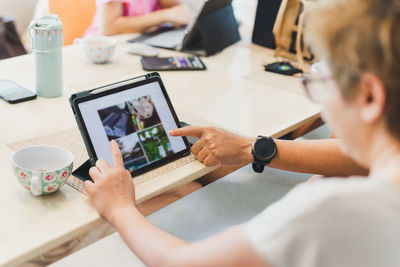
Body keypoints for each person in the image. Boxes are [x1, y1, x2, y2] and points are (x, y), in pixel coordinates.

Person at [83, 0, 400, 266]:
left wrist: (119, 207)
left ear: (370, 97)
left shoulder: (327, 211)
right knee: (191, 187)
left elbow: (182, 263)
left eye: (319, 82)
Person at [84, 0, 192, 37]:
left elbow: (174, 6)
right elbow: (109, 28)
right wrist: (165, 15)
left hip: (142, 39)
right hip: (104, 45)